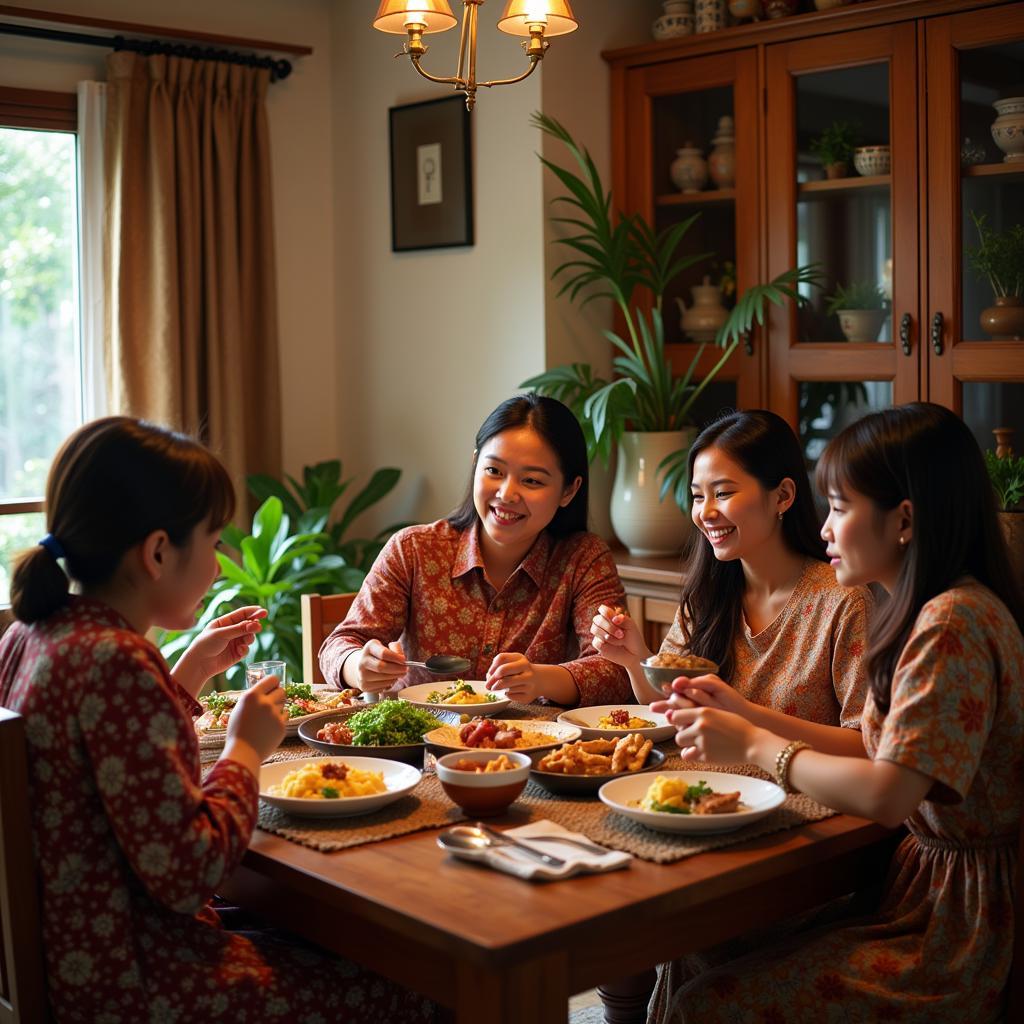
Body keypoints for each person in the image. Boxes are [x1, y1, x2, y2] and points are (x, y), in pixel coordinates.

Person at [0, 417, 434, 1024]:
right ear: (157, 553)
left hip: (80, 951)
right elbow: (191, 871)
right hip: (138, 979)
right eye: (211, 541)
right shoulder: (117, 664)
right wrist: (245, 752)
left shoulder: (35, 636)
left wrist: (186, 675)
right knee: (419, 986)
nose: (218, 562)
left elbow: (114, 761)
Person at [652, 402, 1024, 1023]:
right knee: (702, 949)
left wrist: (753, 742)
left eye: (842, 508)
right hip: (912, 882)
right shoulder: (931, 610)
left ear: (903, 520)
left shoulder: (951, 621)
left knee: (709, 1004)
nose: (823, 527)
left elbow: (888, 794)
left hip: (958, 923)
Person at [320, 394, 629, 706]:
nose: (507, 494)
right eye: (494, 471)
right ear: (475, 464)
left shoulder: (583, 559)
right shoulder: (413, 550)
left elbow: (617, 669)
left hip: (531, 747)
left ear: (569, 491)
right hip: (416, 746)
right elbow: (338, 646)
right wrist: (358, 666)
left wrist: (540, 679)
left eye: (532, 480)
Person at [592, 410, 870, 747]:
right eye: (698, 496)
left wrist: (745, 717)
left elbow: (865, 746)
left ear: (782, 496)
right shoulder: (708, 591)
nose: (705, 513)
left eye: (722, 493)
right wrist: (635, 660)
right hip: (709, 782)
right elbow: (669, 706)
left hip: (799, 795)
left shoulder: (842, 601)